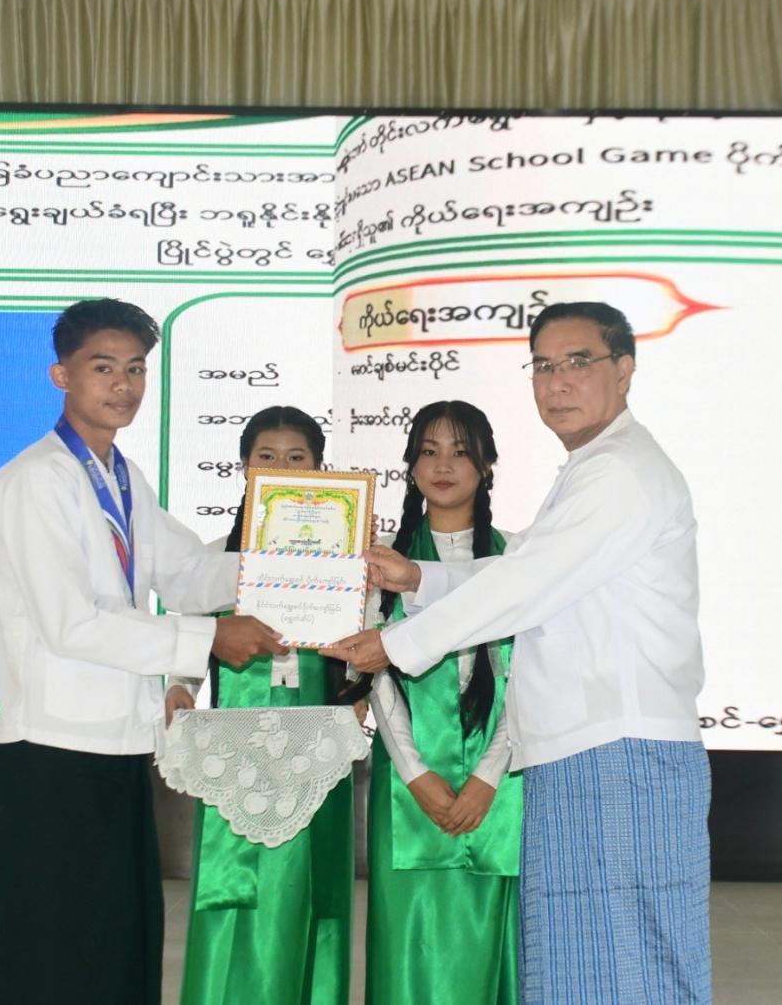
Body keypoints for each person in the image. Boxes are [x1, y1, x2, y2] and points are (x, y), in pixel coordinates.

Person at [324, 302, 711, 1005]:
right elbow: (523, 566)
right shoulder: (592, 467)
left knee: (629, 963)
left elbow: (523, 584)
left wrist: (394, 643)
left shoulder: (620, 472)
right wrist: (418, 577)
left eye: (578, 361)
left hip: (617, 749)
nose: (557, 381)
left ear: (624, 369)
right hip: (584, 747)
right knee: (582, 966)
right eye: (543, 365)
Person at [0, 298, 284, 1005]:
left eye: (136, 368)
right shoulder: (34, 479)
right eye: (103, 367)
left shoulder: (122, 475)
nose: (123, 384)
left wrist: (296, 563)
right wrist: (210, 637)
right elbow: (71, 625)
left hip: (120, 743)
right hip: (51, 751)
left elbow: (188, 573)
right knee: (56, 955)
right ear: (61, 374)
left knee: (120, 943)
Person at [177, 405, 356, 1005]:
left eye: (297, 457)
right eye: (267, 457)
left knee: (313, 895)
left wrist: (358, 691)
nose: (283, 467)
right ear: (245, 468)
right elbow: (185, 642)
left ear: (320, 469)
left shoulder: (349, 562)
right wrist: (178, 689)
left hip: (317, 753)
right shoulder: (212, 561)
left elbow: (367, 649)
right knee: (231, 893)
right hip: (235, 756)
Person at [357, 400, 521, 1005]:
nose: (444, 465)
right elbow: (373, 668)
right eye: (429, 451)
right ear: (411, 465)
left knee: (489, 944)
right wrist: (416, 774)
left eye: (460, 451)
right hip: (407, 781)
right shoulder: (379, 559)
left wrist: (486, 776)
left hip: (500, 783)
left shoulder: (517, 557)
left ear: (488, 463)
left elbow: (527, 679)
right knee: (408, 944)